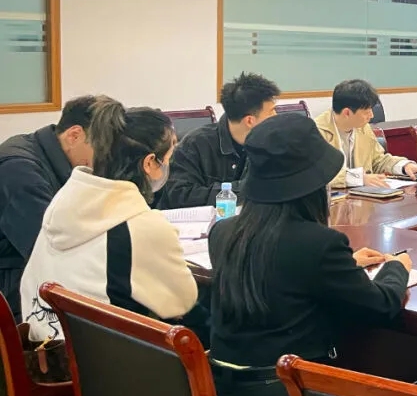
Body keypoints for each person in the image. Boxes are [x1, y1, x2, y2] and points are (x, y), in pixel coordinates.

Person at [209, 113, 410, 396]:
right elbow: (382, 306)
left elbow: (277, 270)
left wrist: (345, 264)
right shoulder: (318, 245)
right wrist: (398, 267)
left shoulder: (224, 232)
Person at [20, 99, 199, 342]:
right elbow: (180, 302)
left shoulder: (64, 200)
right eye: (167, 158)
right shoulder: (141, 225)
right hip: (102, 359)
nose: (168, 166)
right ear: (149, 162)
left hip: (44, 345)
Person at [0, 96, 99, 320]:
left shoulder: (44, 152)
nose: (105, 158)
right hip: (13, 290)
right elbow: (48, 250)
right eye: (103, 147)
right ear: (74, 135)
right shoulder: (20, 170)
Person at [163, 73, 279, 208]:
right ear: (249, 121)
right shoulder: (195, 145)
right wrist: (246, 190)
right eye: (271, 111)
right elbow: (180, 195)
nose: (276, 116)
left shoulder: (273, 143)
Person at [314, 79, 417, 188]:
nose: (372, 115)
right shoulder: (316, 132)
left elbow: (378, 160)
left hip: (361, 198)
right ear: (347, 113)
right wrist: (360, 179)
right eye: (366, 112)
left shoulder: (363, 128)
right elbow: (318, 174)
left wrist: (404, 166)